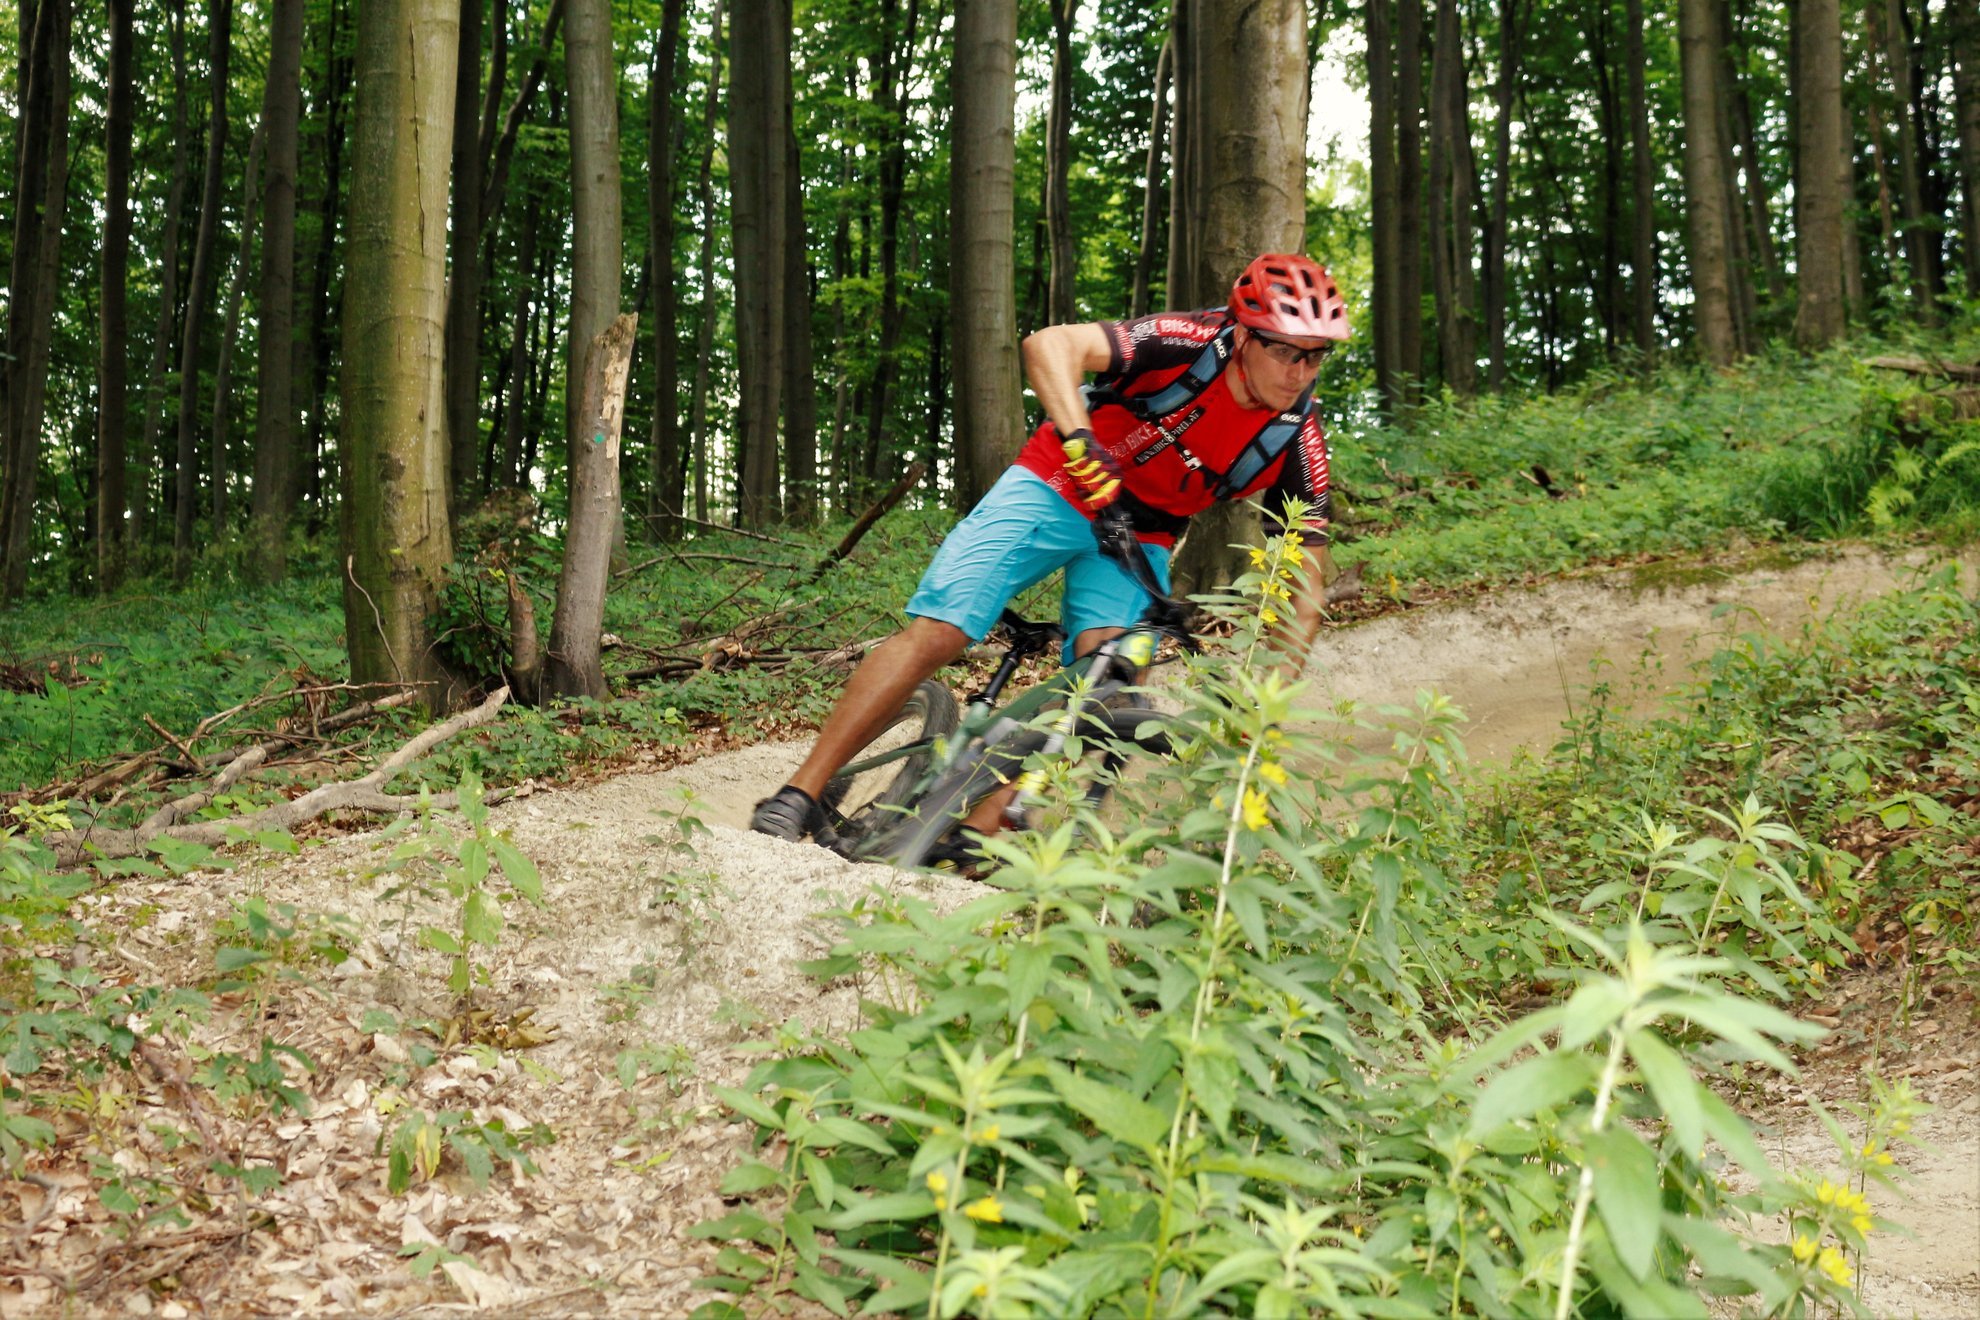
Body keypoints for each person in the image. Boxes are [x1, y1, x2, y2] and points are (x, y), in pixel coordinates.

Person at [750, 252, 1351, 843]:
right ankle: (801, 791)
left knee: (1110, 693)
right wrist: (1081, 440)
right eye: (1284, 350)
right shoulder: (1186, 340)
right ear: (1244, 334)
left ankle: (971, 835)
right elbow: (1049, 345)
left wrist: (1265, 709)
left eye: (1315, 356)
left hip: (1140, 536)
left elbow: (1305, 590)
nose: (1299, 371)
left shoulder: (1297, 441)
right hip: (1059, 481)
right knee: (943, 631)